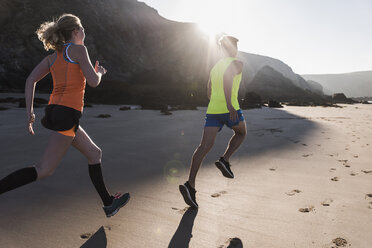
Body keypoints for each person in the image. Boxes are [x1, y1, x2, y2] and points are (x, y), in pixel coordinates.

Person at [0, 14, 129, 217]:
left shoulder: (53, 57)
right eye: (83, 29)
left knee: (95, 154)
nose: (84, 32)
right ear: (76, 31)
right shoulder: (78, 50)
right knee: (44, 169)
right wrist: (101, 72)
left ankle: (108, 203)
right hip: (68, 114)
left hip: (56, 112)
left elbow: (30, 79)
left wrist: (30, 112)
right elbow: (93, 81)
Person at [179, 35, 246, 208]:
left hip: (213, 110)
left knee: (203, 147)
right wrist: (230, 105)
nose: (235, 49)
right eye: (234, 46)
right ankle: (225, 160)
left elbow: (209, 87)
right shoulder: (237, 63)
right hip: (230, 109)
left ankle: (190, 185)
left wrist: (214, 102)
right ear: (232, 49)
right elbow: (228, 79)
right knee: (241, 132)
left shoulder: (216, 66)